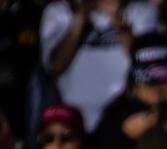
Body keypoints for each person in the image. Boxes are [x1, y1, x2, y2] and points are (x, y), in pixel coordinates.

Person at [39, 0, 159, 130]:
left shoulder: (142, 11)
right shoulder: (59, 12)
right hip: (74, 116)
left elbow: (146, 69)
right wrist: (79, 21)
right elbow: (55, 66)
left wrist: (118, 20)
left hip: (123, 113)